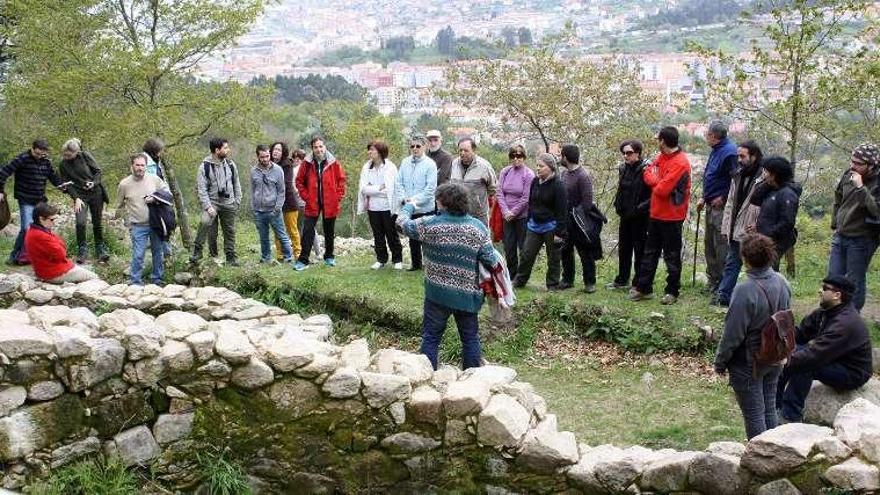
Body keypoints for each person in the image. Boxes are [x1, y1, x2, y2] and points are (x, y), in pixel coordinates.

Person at [396, 182, 501, 370]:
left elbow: (401, 224)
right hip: (468, 295)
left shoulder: (429, 225)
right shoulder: (478, 228)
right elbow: (492, 261)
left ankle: (426, 380)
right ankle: (472, 384)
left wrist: (410, 205)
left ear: (443, 203)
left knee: (431, 338)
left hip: (437, 295)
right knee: (470, 339)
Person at [714, 233, 791, 439]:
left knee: (755, 415)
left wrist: (720, 362)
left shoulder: (744, 290)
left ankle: (761, 461)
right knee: (768, 409)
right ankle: (776, 453)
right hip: (775, 355)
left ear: (744, 258)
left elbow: (733, 334)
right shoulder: (782, 282)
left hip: (749, 362)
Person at [776, 275, 873, 423]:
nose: (819, 291)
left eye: (825, 288)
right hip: (833, 358)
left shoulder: (845, 324)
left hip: (852, 372)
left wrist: (785, 360)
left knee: (806, 365)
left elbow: (815, 356)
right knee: (793, 354)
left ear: (837, 295)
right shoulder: (826, 312)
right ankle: (774, 405)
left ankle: (790, 415)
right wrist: (779, 344)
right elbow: (800, 334)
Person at [630, 126, 692, 305]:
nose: (657, 142)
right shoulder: (660, 157)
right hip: (655, 214)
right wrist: (657, 180)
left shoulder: (681, 163)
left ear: (663, 141)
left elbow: (663, 190)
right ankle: (643, 288)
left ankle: (672, 291)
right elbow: (647, 174)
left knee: (671, 256)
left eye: (658, 139)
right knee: (650, 253)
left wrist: (656, 181)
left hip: (672, 217)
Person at [0, 139, 75, 265]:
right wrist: (1, 191)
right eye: (38, 153)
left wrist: (62, 186)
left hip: (40, 200)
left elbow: (53, 177)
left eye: (43, 154)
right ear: (32, 148)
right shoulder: (22, 159)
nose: (40, 156)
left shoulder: (46, 162)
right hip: (25, 199)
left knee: (43, 229)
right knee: (26, 228)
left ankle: (34, 256)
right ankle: (14, 257)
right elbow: (3, 173)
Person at [827, 143, 880, 311]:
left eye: (858, 163)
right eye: (852, 161)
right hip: (840, 236)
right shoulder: (848, 174)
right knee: (832, 278)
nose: (852, 166)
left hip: (862, 240)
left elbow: (876, 211)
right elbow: (838, 197)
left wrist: (861, 187)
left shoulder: (877, 183)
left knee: (854, 281)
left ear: (871, 165)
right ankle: (831, 314)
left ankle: (852, 318)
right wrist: (835, 223)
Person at [716, 140, 764, 306]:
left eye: (742, 156)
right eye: (738, 156)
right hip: (736, 228)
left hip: (754, 231)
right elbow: (730, 203)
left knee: (757, 267)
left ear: (754, 156)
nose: (739, 159)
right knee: (732, 263)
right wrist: (726, 226)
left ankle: (760, 299)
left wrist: (759, 226)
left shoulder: (764, 178)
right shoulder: (737, 175)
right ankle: (723, 296)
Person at [512, 153, 568, 290]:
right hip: (534, 225)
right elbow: (531, 202)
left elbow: (562, 211)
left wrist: (559, 233)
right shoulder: (535, 181)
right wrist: (530, 219)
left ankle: (552, 285)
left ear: (550, 168)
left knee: (553, 258)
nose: (538, 168)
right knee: (526, 254)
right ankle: (520, 281)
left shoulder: (558, 185)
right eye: (537, 165)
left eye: (541, 166)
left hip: (551, 226)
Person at [117, 153, 169, 285]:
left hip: (155, 222)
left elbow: (167, 194)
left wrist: (155, 198)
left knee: (158, 252)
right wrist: (127, 222)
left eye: (142, 165)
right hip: (138, 225)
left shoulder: (154, 179)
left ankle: (157, 279)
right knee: (138, 254)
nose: (140, 168)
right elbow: (119, 205)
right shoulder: (124, 184)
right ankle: (135, 281)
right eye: (137, 165)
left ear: (146, 166)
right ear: (132, 166)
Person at [295, 136, 346, 270]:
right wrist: (306, 196)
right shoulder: (306, 163)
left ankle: (329, 256)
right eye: (316, 147)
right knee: (307, 230)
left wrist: (338, 196)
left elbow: (341, 180)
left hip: (330, 202)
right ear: (312, 149)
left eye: (320, 146)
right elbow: (299, 181)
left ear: (325, 147)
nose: (319, 149)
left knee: (329, 230)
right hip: (312, 202)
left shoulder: (333, 162)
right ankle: (303, 259)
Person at [699, 121, 737, 296]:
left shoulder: (729, 152)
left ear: (713, 136)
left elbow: (735, 180)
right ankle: (713, 279)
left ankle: (722, 284)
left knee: (720, 245)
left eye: (707, 134)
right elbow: (710, 175)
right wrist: (703, 197)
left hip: (720, 207)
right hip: (709, 202)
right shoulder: (716, 150)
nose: (706, 136)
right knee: (709, 244)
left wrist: (723, 197)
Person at [191, 137, 242, 266]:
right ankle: (198, 252)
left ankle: (231, 258)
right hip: (212, 202)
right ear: (217, 150)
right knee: (205, 222)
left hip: (229, 202)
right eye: (225, 148)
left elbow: (236, 183)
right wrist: (208, 207)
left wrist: (237, 201)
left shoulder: (230, 164)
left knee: (229, 231)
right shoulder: (204, 166)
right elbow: (201, 190)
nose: (228, 150)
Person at [609, 139, 651, 290]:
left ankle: (638, 282)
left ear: (638, 153)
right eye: (624, 153)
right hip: (625, 215)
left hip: (640, 217)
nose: (626, 156)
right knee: (624, 249)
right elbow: (621, 190)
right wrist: (618, 206)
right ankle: (622, 279)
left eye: (629, 153)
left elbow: (652, 195)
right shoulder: (623, 169)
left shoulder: (647, 169)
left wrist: (640, 208)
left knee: (639, 250)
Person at [58, 138, 109, 264]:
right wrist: (76, 198)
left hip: (95, 192)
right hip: (79, 195)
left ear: (76, 152)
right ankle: (82, 249)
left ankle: (100, 249)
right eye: (64, 154)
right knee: (80, 222)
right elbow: (67, 184)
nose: (66, 157)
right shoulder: (63, 164)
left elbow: (98, 171)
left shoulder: (84, 156)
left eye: (69, 155)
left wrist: (93, 183)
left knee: (97, 222)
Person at [24, 202, 98, 283]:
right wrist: (59, 243)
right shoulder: (40, 235)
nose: (54, 222)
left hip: (49, 270)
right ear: (41, 219)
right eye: (51, 219)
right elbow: (61, 254)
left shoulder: (34, 231)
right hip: (53, 273)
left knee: (87, 269)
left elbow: (60, 246)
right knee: (94, 277)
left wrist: (57, 243)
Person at [393, 135, 438, 271]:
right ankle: (416, 264)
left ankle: (430, 265)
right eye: (412, 146)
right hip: (409, 208)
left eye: (418, 146)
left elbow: (430, 189)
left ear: (424, 147)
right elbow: (398, 182)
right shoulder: (405, 162)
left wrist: (414, 200)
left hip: (425, 207)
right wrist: (404, 198)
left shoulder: (430, 164)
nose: (415, 149)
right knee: (412, 237)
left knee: (427, 238)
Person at [748, 156, 801, 269]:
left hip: (775, 241)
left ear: (774, 174)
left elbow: (787, 223)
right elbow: (755, 199)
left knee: (768, 271)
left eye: (766, 172)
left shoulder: (787, 194)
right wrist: (768, 183)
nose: (764, 174)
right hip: (764, 240)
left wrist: (767, 235)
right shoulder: (772, 189)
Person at [559, 144, 598, 293]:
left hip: (579, 222)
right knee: (565, 251)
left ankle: (590, 282)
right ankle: (567, 279)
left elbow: (587, 202)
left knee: (585, 252)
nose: (560, 158)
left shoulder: (583, 176)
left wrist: (576, 215)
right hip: (565, 221)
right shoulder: (563, 174)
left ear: (566, 157)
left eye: (561, 155)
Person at [358, 139, 402, 270]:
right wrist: (379, 188)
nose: (369, 152)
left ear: (380, 152)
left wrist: (373, 189)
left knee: (391, 234)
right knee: (377, 235)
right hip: (373, 208)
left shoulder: (390, 167)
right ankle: (381, 259)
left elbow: (390, 190)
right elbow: (363, 189)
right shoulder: (366, 167)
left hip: (388, 207)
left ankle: (397, 259)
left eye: (372, 150)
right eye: (369, 149)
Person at [496, 145, 534, 278]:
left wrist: (514, 212)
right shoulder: (505, 172)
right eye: (513, 156)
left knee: (523, 247)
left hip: (522, 216)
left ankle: (522, 275)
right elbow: (499, 192)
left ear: (524, 157)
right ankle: (512, 274)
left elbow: (526, 197)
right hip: (506, 216)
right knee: (509, 246)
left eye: (519, 156)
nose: (516, 159)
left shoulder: (528, 174)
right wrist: (506, 211)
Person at [251, 144, 293, 264]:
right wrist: (254, 208)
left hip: (273, 210)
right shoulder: (253, 171)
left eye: (267, 156)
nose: (265, 159)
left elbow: (281, 191)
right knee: (263, 237)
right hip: (259, 210)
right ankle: (266, 258)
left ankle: (289, 257)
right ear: (258, 156)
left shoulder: (278, 170)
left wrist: (277, 207)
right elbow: (253, 190)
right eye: (262, 157)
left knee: (281, 235)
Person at [450, 137, 497, 225]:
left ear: (473, 150)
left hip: (478, 215)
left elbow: (493, 189)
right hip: (458, 214)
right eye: (460, 150)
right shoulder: (454, 164)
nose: (462, 153)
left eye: (466, 150)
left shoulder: (484, 167)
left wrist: (478, 201)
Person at [271, 142, 304, 261]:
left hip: (289, 202)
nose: (276, 151)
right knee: (277, 229)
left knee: (292, 230)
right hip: (274, 203)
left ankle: (298, 254)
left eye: (279, 150)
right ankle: (280, 255)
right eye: (275, 149)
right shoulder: (269, 163)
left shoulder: (287, 164)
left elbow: (285, 183)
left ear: (283, 152)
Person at [143, 137, 174, 257]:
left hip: (161, 198)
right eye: (160, 151)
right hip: (154, 199)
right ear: (154, 150)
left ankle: (166, 250)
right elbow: (151, 182)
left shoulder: (155, 161)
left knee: (165, 223)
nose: (161, 153)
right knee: (161, 224)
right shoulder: (147, 161)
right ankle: (165, 252)